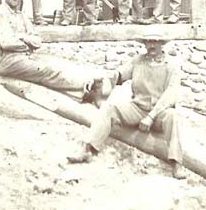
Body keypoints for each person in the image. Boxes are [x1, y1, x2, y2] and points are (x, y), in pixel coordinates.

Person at [67, 35, 186, 179]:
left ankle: (176, 163)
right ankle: (88, 149)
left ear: (162, 44)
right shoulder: (138, 61)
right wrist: (100, 79)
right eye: (148, 42)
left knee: (173, 116)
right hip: (138, 108)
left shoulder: (172, 65)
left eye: (155, 42)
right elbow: (119, 75)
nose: (151, 45)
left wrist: (151, 117)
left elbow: (171, 94)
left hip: (160, 113)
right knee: (109, 109)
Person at [0, 0, 105, 100]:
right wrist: (27, 42)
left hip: (25, 56)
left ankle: (83, 89)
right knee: (47, 71)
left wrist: (23, 37)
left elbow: (37, 41)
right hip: (6, 61)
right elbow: (7, 43)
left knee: (57, 62)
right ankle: (85, 87)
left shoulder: (21, 15)